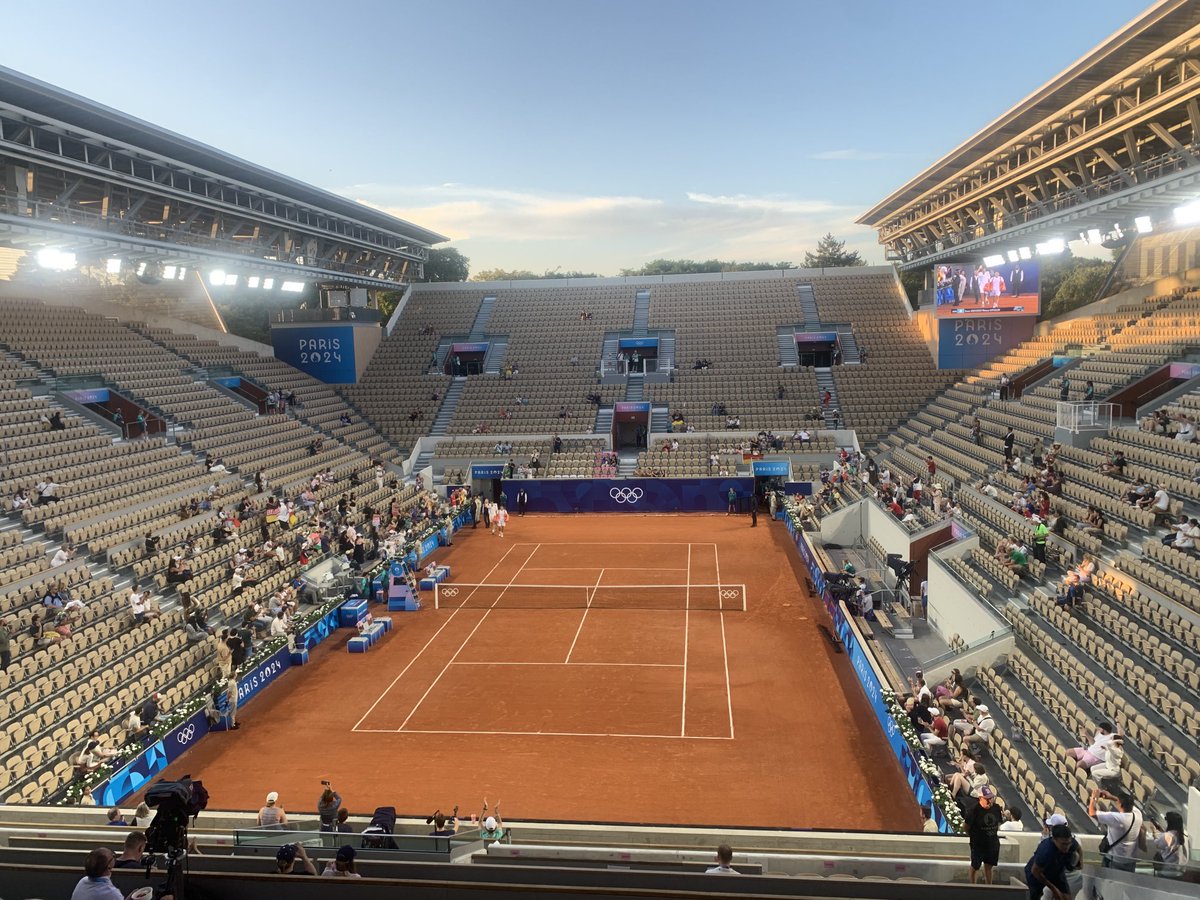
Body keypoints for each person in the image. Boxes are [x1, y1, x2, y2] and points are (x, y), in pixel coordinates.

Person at [1089, 787, 1143, 872]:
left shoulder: (1116, 818)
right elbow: (1127, 803)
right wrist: (1111, 797)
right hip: (1130, 860)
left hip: (1114, 859)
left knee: (1109, 879)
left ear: (1120, 805)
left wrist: (1094, 797)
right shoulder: (1138, 814)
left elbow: (1092, 812)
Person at [1025, 823, 1081, 900]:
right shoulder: (1046, 851)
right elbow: (1035, 871)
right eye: (1063, 844)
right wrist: (1053, 888)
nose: (1066, 847)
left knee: (1066, 897)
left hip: (1056, 870)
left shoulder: (1071, 843)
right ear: (1054, 840)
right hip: (1037, 873)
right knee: (1036, 896)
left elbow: (1078, 847)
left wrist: (1080, 863)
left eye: (1068, 844)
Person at [965, 786, 1002, 885]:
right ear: (980, 798)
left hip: (992, 843)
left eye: (991, 798)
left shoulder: (996, 808)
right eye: (987, 799)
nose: (990, 801)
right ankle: (973, 887)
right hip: (978, 844)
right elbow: (966, 826)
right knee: (975, 866)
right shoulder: (973, 811)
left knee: (989, 867)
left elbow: (998, 824)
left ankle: (989, 887)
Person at [1150, 811, 1188, 879]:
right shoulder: (1183, 834)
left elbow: (1158, 844)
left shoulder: (1168, 835)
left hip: (1167, 870)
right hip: (1179, 869)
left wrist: (1154, 831)